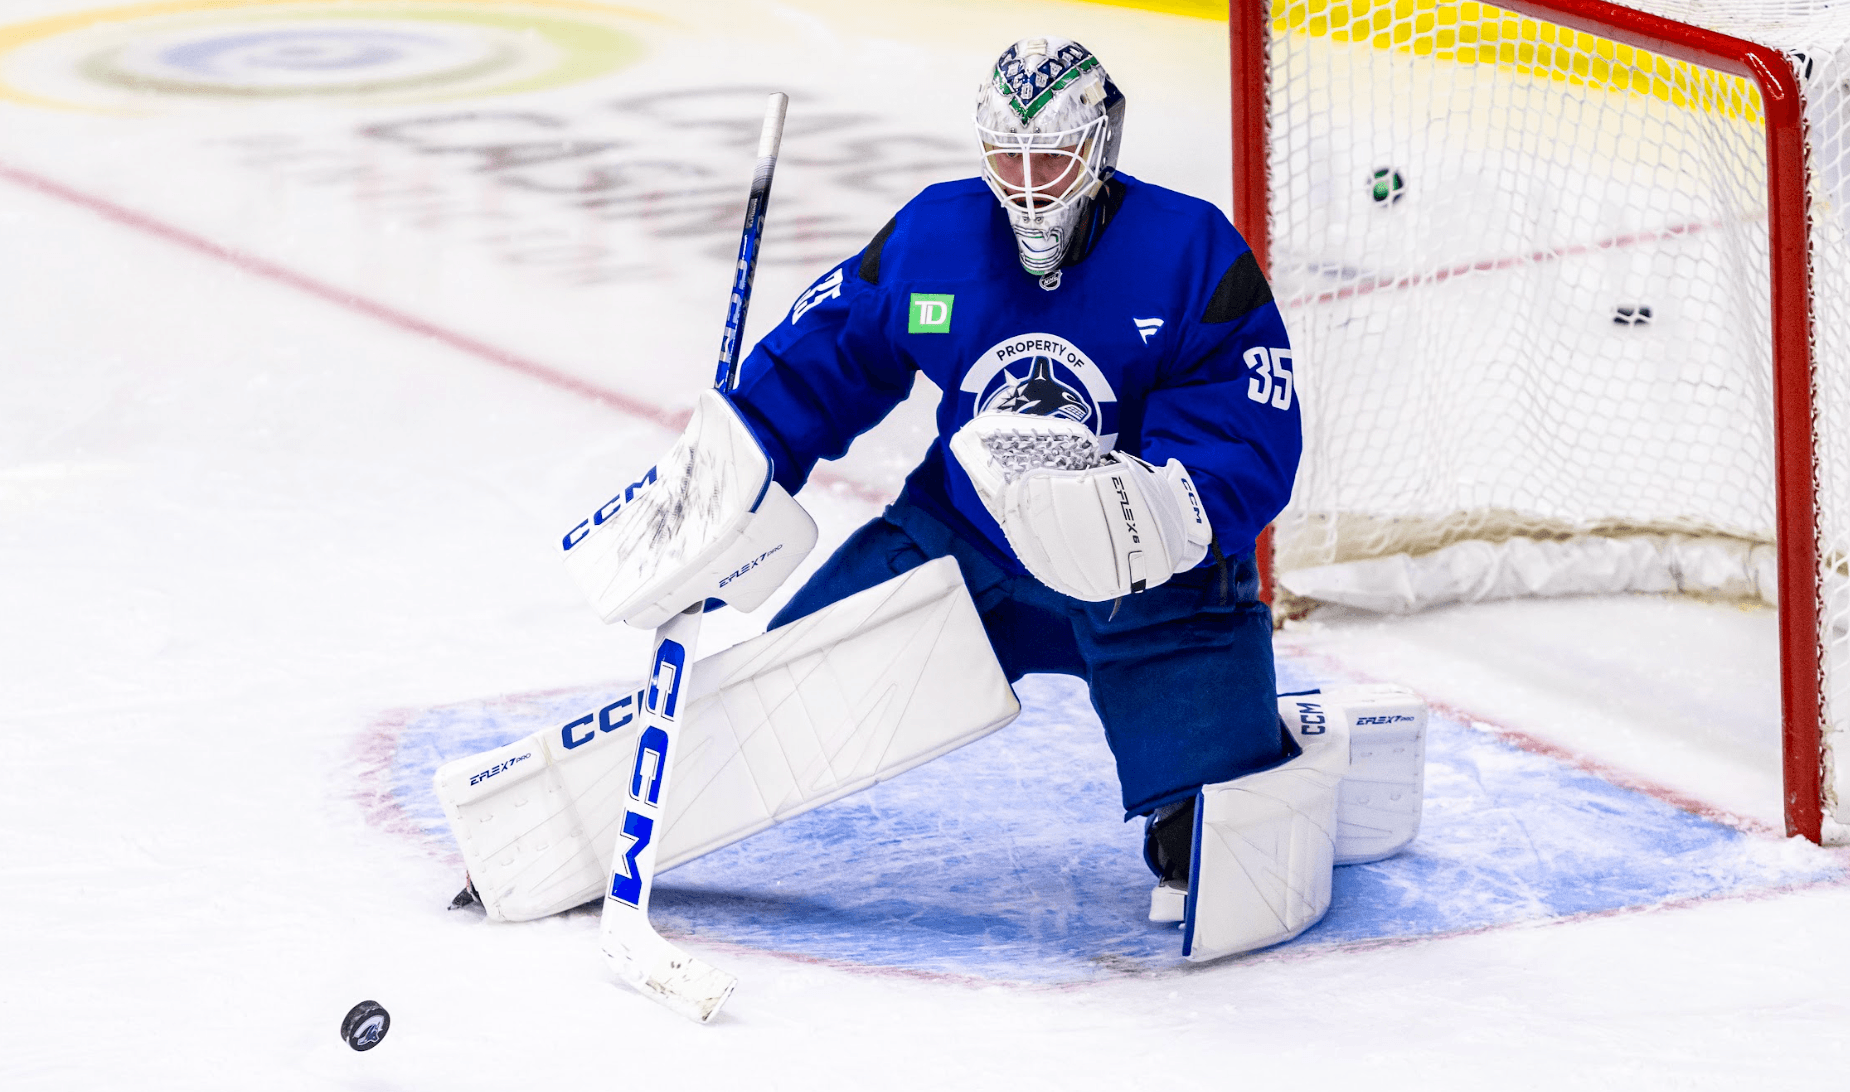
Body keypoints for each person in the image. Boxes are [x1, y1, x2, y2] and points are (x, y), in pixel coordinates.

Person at [721, 35, 1303, 889]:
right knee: (771, 713)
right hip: (967, 544)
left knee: (1207, 850)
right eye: (1009, 159)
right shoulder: (936, 237)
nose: (1029, 188)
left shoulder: (1191, 253)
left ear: (1098, 147)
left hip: (1151, 581)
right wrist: (737, 460)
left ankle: (1212, 772)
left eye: (1054, 162)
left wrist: (1174, 510)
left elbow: (1247, 422)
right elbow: (828, 355)